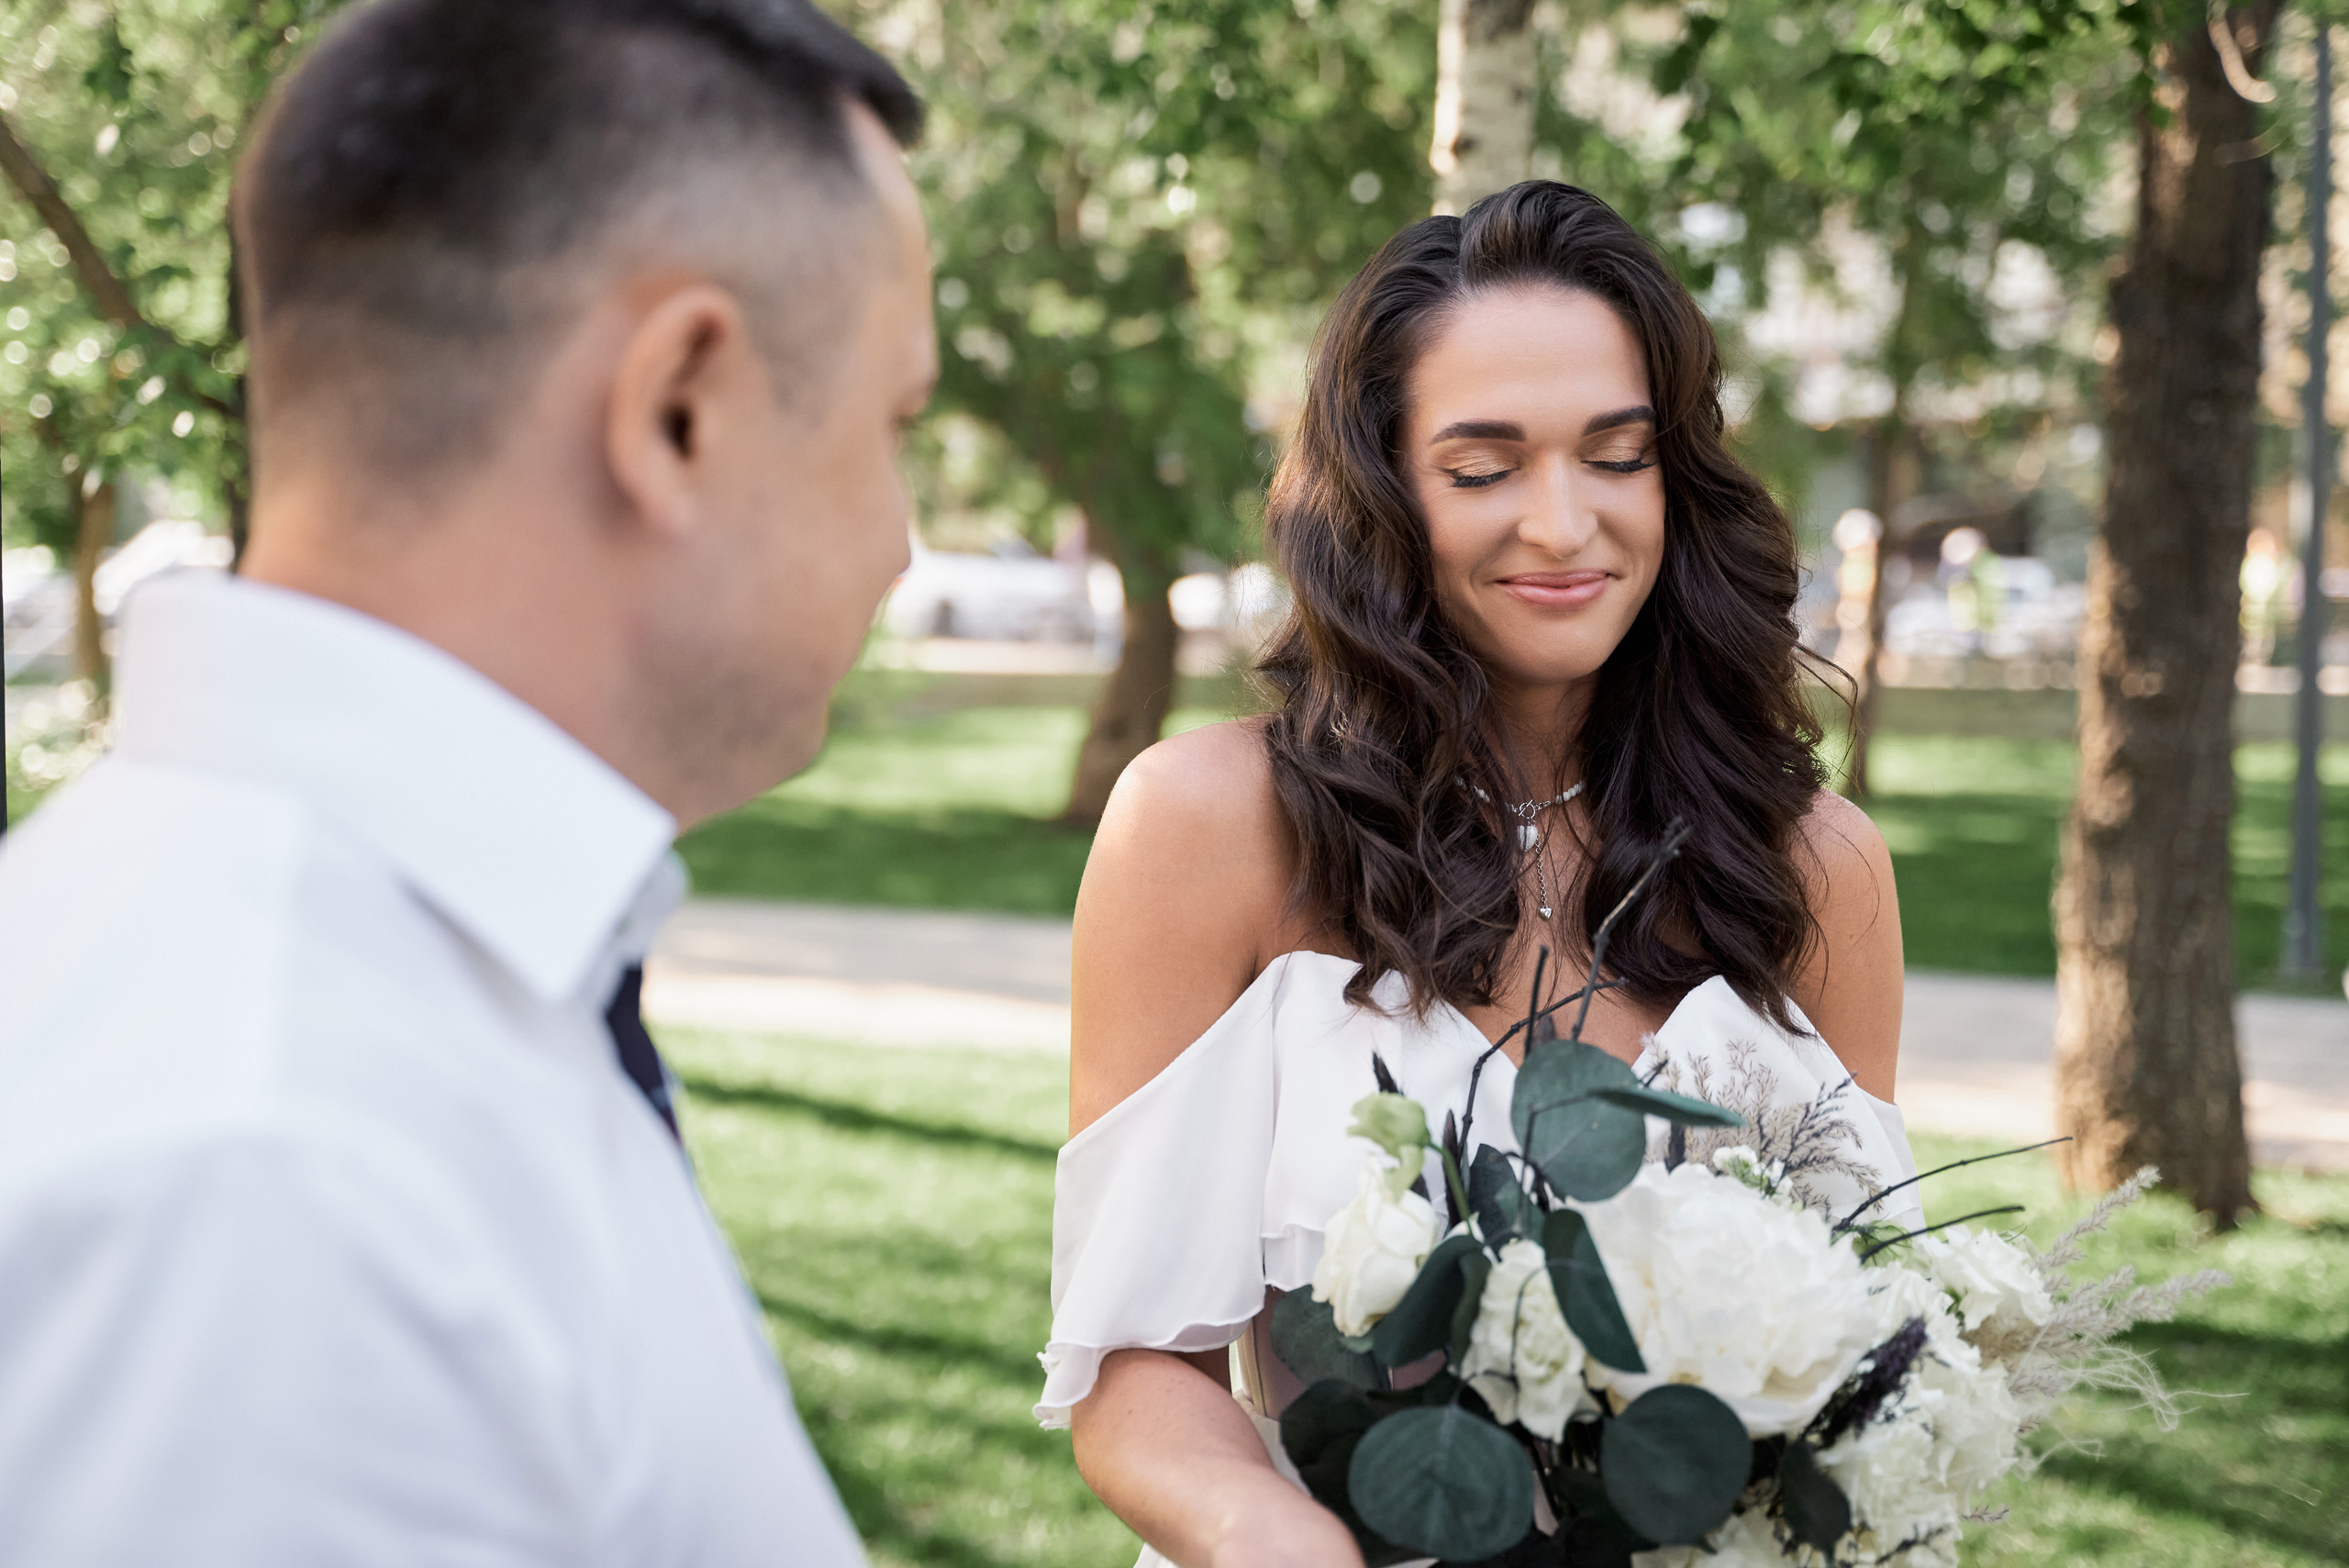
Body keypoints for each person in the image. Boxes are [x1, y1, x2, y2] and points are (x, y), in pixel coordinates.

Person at [0, 1, 934, 1562]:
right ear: (678, 407)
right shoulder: (269, 1174)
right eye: (892, 423)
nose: (902, 539)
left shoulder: (345, 990)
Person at [1041, 183, 1918, 1567]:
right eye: (1483, 467)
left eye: (1616, 456)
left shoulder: (1817, 866)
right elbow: (1135, 1363)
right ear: (1382, 491)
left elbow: (1872, 1334)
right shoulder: (1208, 827)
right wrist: (1280, 1542)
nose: (1563, 525)